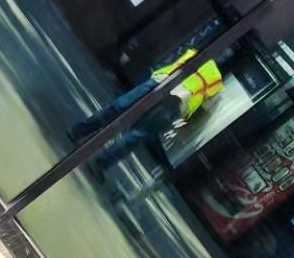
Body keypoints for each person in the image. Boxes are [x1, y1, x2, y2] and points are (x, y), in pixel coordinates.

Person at [71, 45, 225, 173]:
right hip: (175, 103)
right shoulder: (217, 81)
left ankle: (79, 131)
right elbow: (205, 106)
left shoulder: (197, 52)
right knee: (137, 134)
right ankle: (100, 164)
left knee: (118, 108)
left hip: (160, 83)